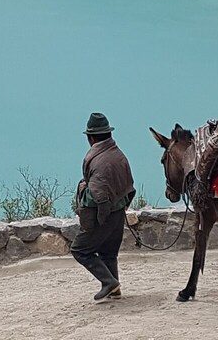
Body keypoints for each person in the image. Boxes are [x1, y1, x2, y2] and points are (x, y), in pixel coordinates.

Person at [73, 112, 135, 301]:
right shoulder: (119, 155)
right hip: (119, 211)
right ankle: (114, 288)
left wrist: (83, 189)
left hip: (104, 214)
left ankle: (109, 282)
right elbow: (129, 187)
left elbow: (97, 197)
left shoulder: (99, 161)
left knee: (80, 249)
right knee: (108, 253)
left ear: (91, 138)